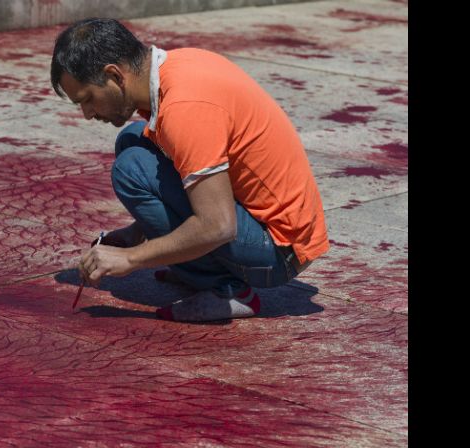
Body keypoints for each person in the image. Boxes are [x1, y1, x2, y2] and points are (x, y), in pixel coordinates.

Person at [50, 18, 329, 322]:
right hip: (274, 230)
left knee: (131, 169)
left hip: (278, 253)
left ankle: (226, 288)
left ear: (115, 75)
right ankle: (197, 265)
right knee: (133, 138)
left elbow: (218, 225)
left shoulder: (185, 108)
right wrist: (137, 233)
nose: (88, 113)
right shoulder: (178, 67)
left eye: (88, 99)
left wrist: (130, 259)